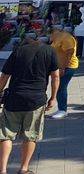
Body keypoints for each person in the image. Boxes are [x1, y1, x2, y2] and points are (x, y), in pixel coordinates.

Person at [0, 35, 60, 174]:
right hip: (36, 101)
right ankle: (24, 169)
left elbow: (4, 76)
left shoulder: (18, 51)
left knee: (6, 135)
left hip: (14, 99)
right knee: (30, 135)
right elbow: (55, 77)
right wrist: (53, 97)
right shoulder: (50, 51)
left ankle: (2, 170)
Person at [48, 28, 79, 119]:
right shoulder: (57, 38)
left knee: (61, 87)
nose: (49, 38)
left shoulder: (66, 38)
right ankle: (60, 109)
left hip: (68, 67)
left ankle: (63, 110)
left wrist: (63, 67)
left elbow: (70, 52)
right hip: (60, 66)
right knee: (58, 87)